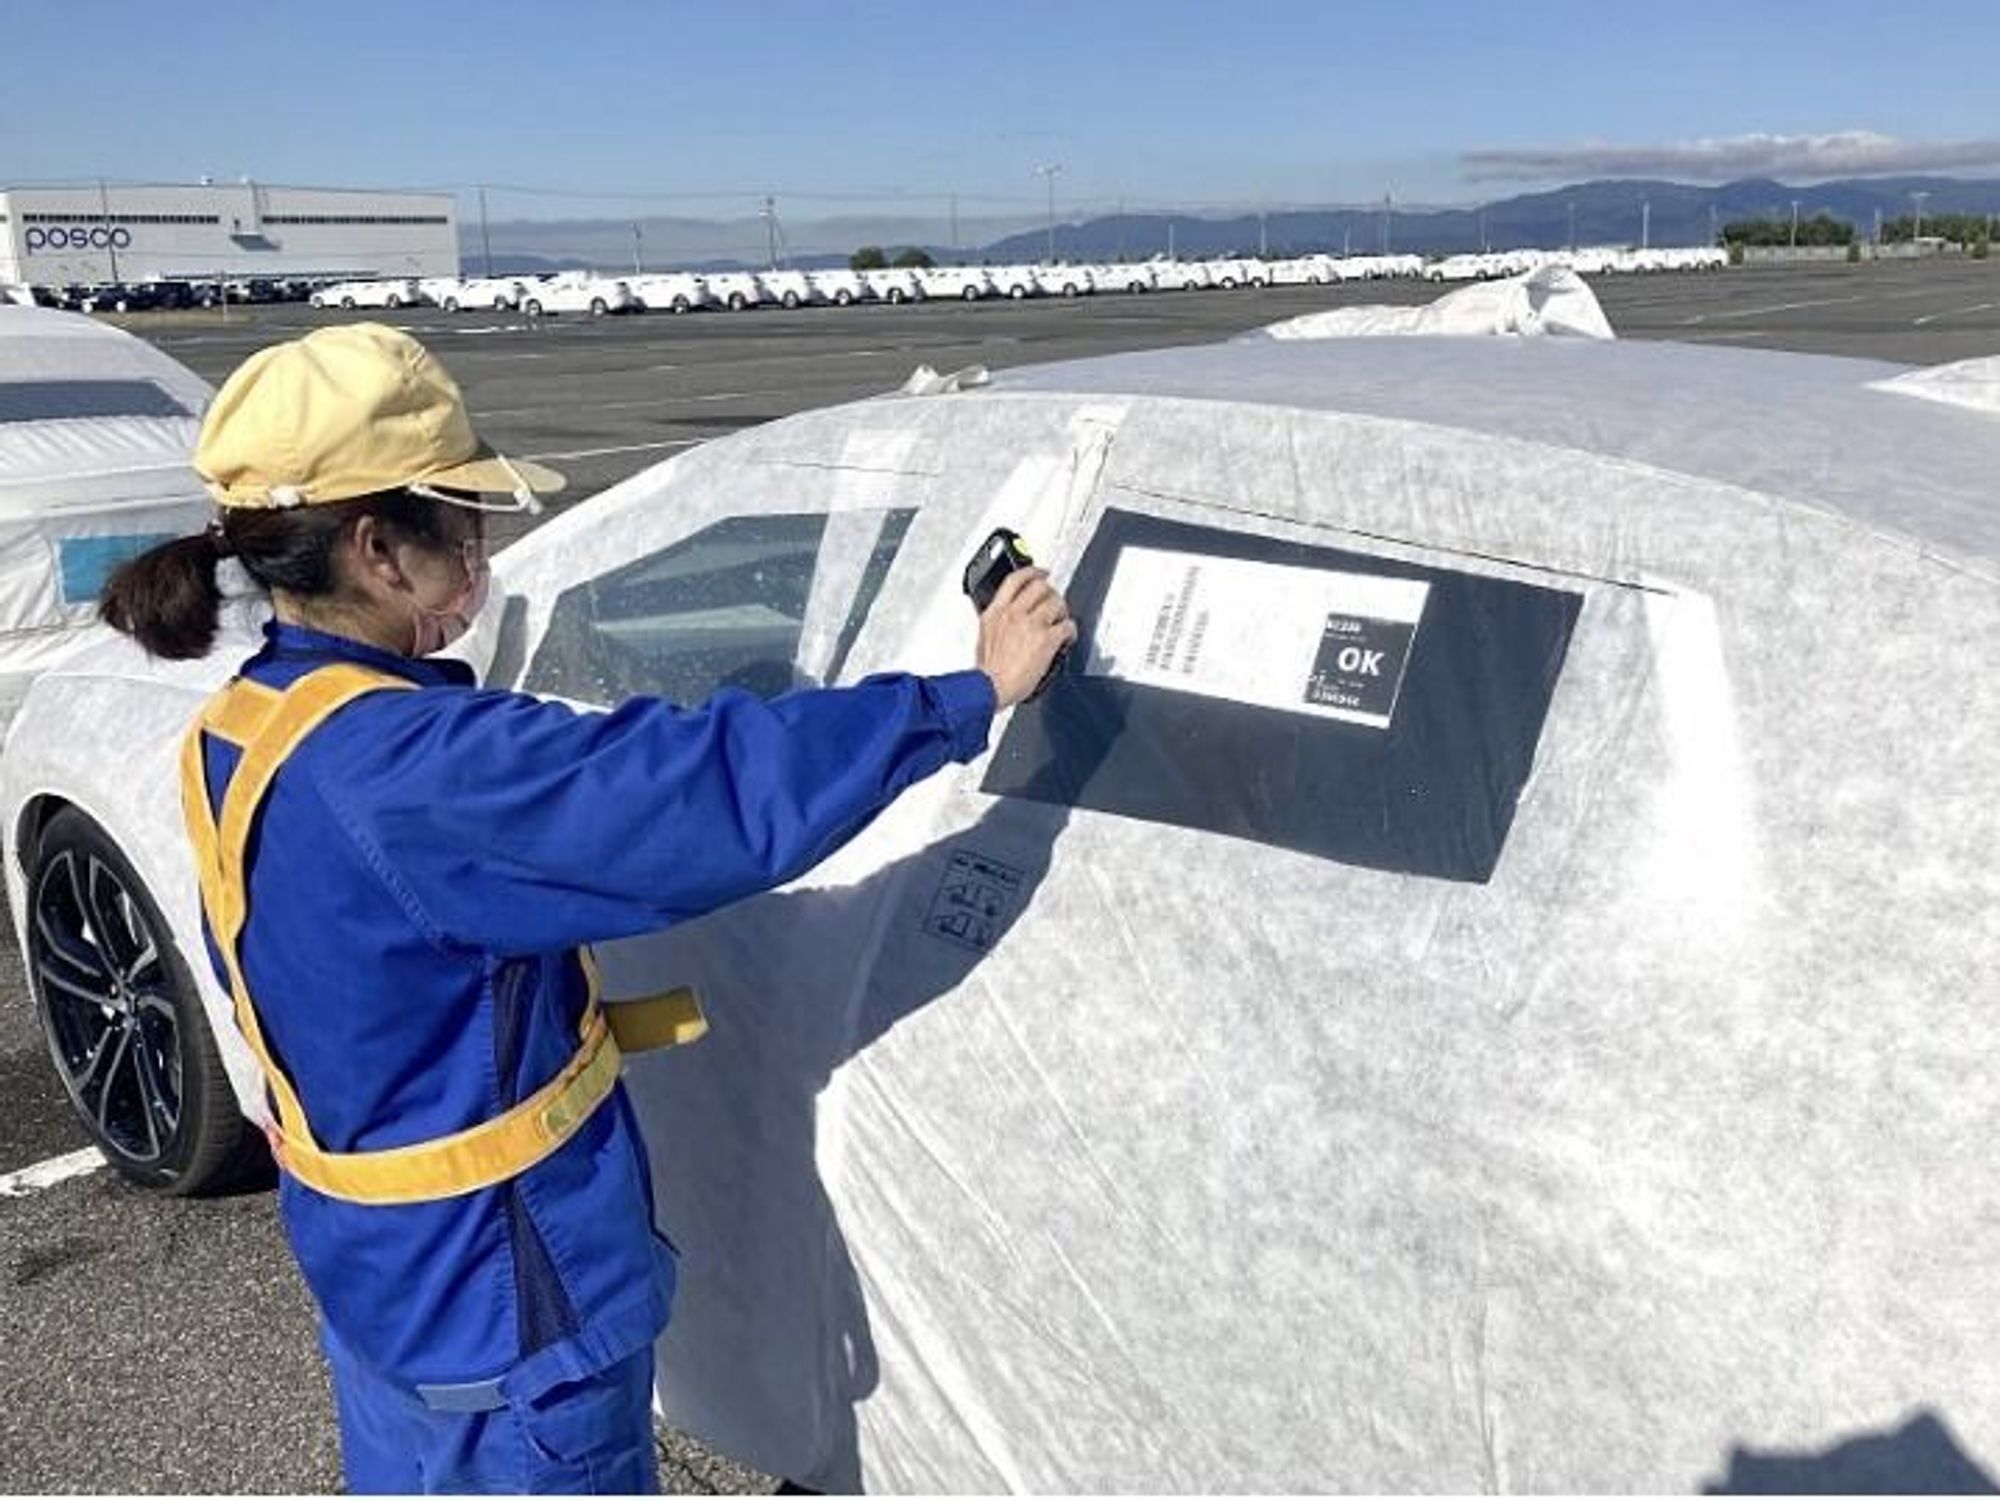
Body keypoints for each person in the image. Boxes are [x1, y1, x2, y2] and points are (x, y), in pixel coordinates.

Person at [97, 323, 1075, 1494]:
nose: (481, 553)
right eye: (460, 527)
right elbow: (698, 789)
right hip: (505, 1303)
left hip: (379, 1269)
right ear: (375, 550)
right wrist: (965, 691)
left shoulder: (249, 722)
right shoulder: (422, 768)